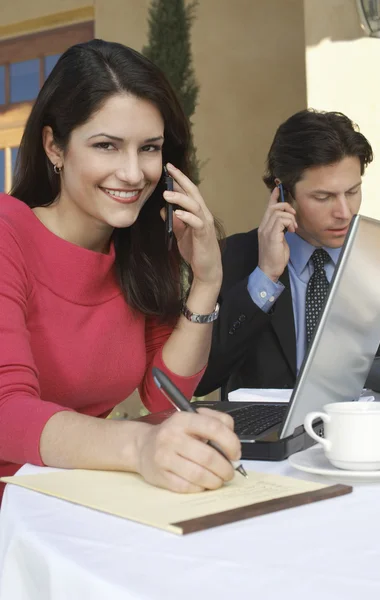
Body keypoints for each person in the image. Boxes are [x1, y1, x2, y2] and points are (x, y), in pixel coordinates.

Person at [0, 39, 242, 503]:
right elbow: (7, 412)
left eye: (148, 148)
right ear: (55, 146)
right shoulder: (8, 233)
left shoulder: (138, 248)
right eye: (107, 146)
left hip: (81, 501)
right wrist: (139, 445)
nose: (133, 174)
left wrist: (207, 281)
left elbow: (162, 394)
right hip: (15, 513)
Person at [196, 109, 380, 399]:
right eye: (323, 197)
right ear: (282, 192)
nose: (345, 212)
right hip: (267, 440)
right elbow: (202, 379)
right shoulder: (232, 257)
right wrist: (264, 277)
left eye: (352, 192)